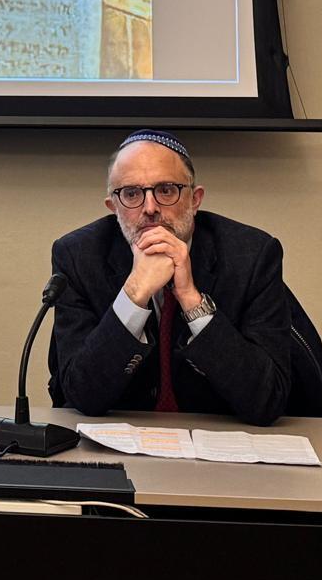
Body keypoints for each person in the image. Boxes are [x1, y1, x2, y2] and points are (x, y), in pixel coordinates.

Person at [48, 130, 294, 425]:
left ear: (195, 199)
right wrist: (134, 294)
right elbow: (82, 394)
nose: (150, 208)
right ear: (114, 208)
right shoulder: (77, 256)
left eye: (166, 190)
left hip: (219, 439)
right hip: (122, 438)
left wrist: (192, 300)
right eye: (131, 194)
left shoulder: (252, 256)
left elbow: (267, 400)